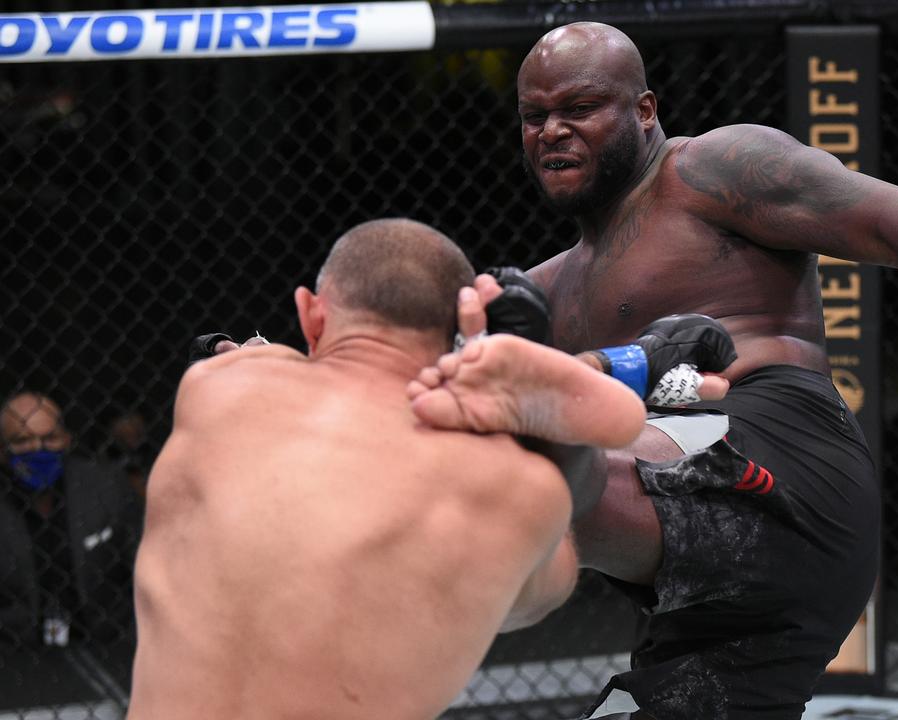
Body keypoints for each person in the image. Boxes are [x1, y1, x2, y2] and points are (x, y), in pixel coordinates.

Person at [414, 21, 898, 719]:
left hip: (780, 466)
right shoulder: (547, 289)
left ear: (644, 110)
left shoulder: (705, 171)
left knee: (529, 447)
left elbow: (890, 217)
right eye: (533, 116)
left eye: (578, 107)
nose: (552, 131)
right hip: (706, 597)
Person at [126, 218, 660, 719]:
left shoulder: (217, 391)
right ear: (460, 335)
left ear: (310, 315)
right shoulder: (509, 489)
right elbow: (540, 591)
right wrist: (542, 407)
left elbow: (274, 372)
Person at [1, 391, 139, 649]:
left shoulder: (105, 487)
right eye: (22, 440)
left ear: (66, 439)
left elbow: (145, 569)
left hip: (108, 643)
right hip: (15, 654)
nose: (37, 450)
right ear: (2, 450)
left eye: (49, 438)